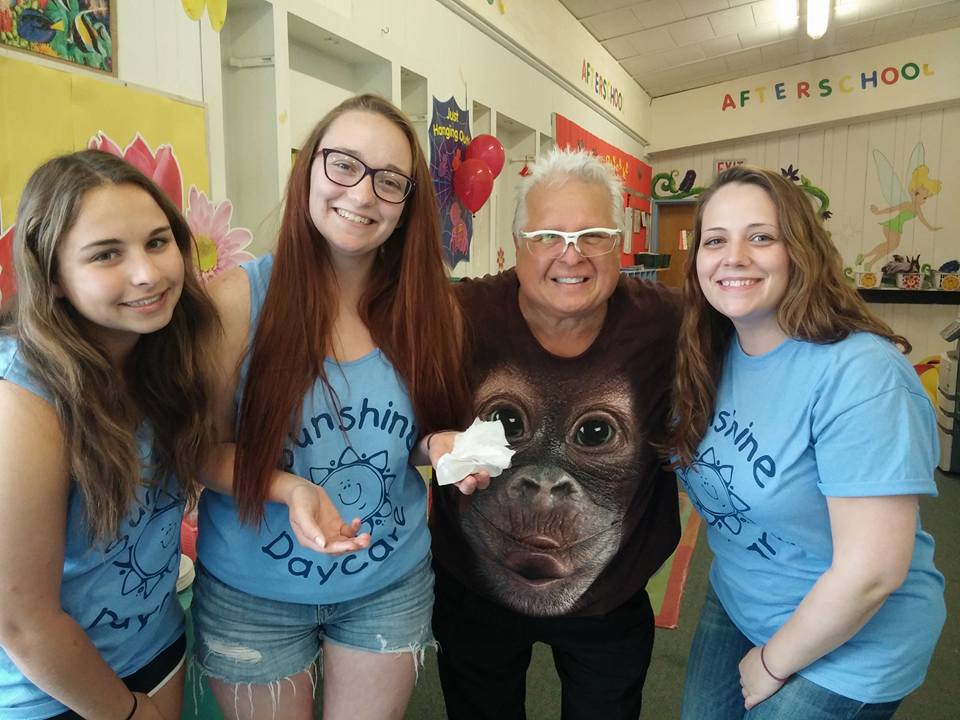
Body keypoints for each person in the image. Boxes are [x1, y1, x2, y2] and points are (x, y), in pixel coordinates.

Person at [191, 94, 472, 720]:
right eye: (343, 164)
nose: (363, 193)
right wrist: (289, 488)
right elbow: (198, 453)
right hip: (252, 592)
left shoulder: (432, 311)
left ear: (408, 205)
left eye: (390, 181)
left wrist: (439, 446)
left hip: (386, 584)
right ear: (308, 168)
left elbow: (414, 438)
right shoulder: (237, 301)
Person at [668, 165, 945, 720]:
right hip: (741, 599)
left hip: (854, 637)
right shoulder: (710, 351)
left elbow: (871, 573)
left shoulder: (862, 374)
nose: (733, 257)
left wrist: (773, 663)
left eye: (760, 237)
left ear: (801, 250)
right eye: (715, 240)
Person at [429, 148, 682, 720]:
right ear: (517, 245)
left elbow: (764, 326)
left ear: (620, 245)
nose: (571, 254)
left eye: (593, 235)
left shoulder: (667, 323)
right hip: (474, 586)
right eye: (548, 236)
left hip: (610, 593)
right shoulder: (458, 317)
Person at [0, 150, 221, 719]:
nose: (147, 273)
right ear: (52, 277)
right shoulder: (22, 399)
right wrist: (124, 712)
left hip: (155, 644)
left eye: (156, 242)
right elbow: (20, 620)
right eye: (106, 254)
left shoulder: (159, 350)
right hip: (51, 692)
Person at [857, 164, 942, 271]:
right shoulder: (907, 204)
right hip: (891, 225)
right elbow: (892, 209)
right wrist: (878, 212)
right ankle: (865, 257)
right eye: (919, 195)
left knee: (890, 247)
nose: (923, 200)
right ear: (912, 192)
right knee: (890, 245)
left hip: (897, 227)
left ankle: (868, 262)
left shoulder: (918, 209)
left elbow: (923, 220)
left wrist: (931, 227)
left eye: (925, 198)